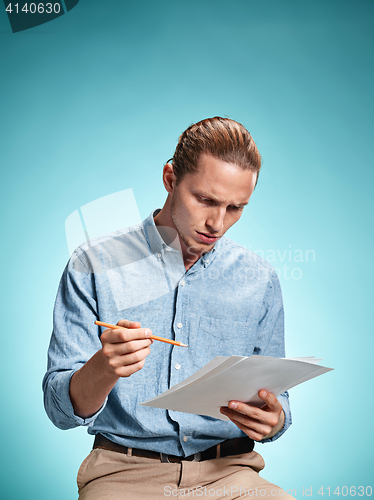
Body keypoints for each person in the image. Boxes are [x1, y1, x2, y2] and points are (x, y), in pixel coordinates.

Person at [43, 117, 293, 499]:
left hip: (231, 474)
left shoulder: (260, 279)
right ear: (170, 178)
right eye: (206, 200)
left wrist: (274, 420)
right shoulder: (93, 264)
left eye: (235, 208)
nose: (217, 223)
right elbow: (60, 412)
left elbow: (276, 401)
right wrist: (103, 368)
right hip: (122, 475)